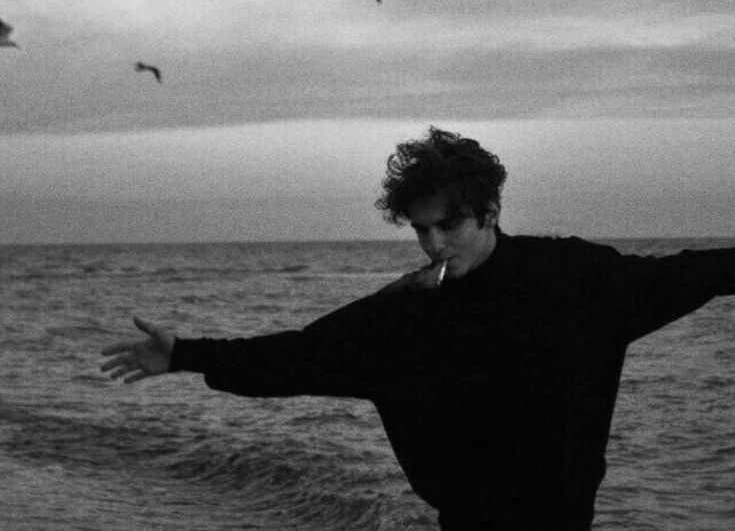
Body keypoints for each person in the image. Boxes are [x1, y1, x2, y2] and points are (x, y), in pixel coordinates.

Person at [101, 126, 734, 530]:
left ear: (490, 211)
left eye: (447, 225)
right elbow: (301, 356)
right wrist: (184, 354)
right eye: (419, 229)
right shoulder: (405, 315)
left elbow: (691, 274)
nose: (432, 244)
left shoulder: (576, 280)